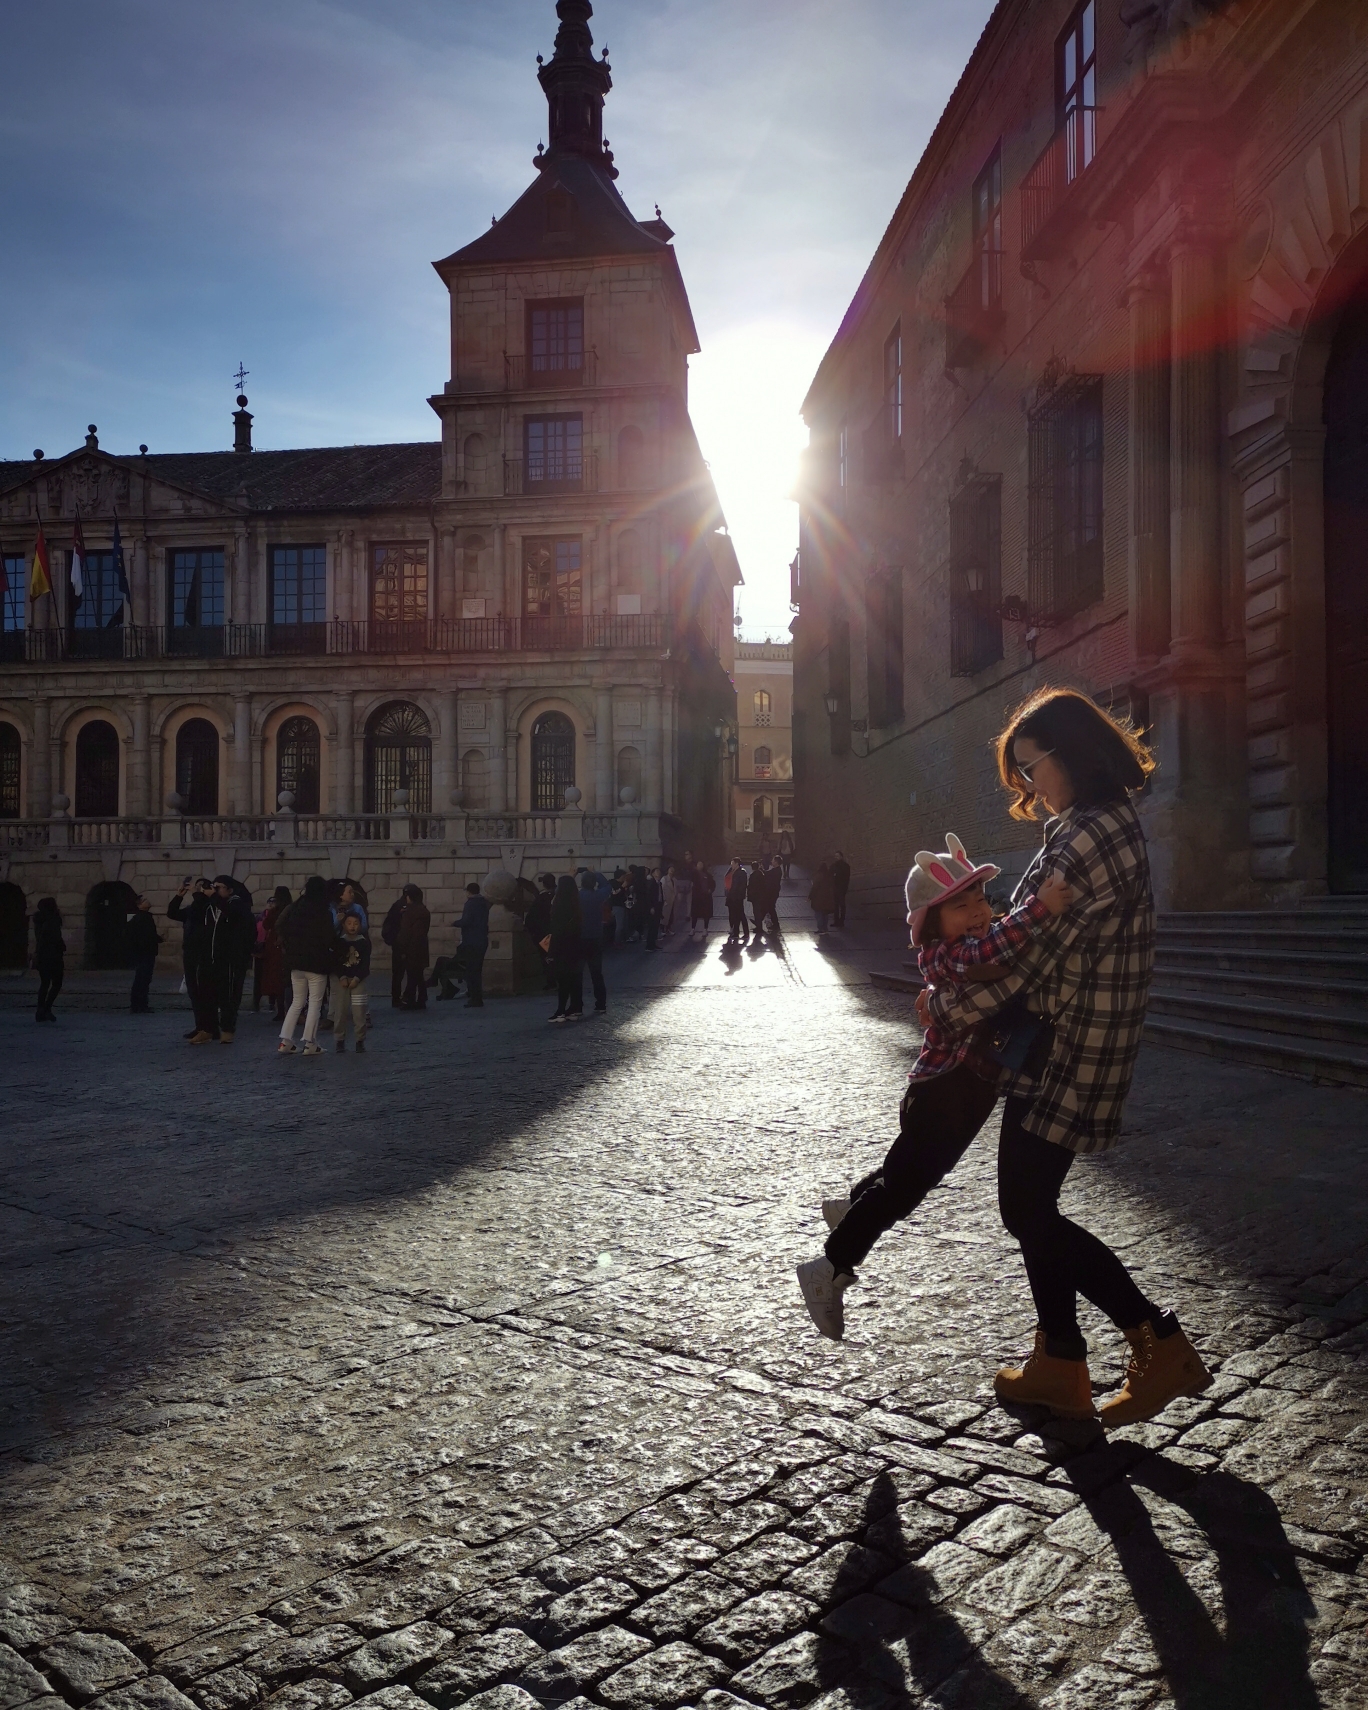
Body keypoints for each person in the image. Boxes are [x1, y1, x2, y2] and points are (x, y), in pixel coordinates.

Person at [815, 688, 1211, 1429]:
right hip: (1052, 1042)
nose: (1029, 786)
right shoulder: (1083, 823)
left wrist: (943, 1007)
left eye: (1032, 767)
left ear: (1074, 753)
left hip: (1072, 1045)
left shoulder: (1090, 837)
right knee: (1030, 1207)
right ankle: (1060, 1362)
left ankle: (1160, 1344)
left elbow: (1030, 961)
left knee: (1027, 1207)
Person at [798, 834, 1073, 1336]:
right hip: (944, 1091)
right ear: (931, 922)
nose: (976, 912)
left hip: (962, 1095)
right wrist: (1039, 908)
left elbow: (995, 954)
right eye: (960, 905)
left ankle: (851, 1207)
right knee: (904, 1189)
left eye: (980, 900)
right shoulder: (946, 954)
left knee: (909, 1173)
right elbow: (991, 946)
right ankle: (830, 1267)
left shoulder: (961, 951)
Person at [181, 876, 255, 1044]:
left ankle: (228, 1030)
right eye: (214, 887)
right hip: (210, 957)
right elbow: (191, 914)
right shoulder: (212, 907)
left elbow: (235, 917)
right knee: (206, 994)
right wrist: (197, 895)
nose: (215, 890)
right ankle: (207, 1029)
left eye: (219, 887)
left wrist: (212, 896)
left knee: (228, 996)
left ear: (229, 890)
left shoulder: (237, 905)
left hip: (230, 959)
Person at [279, 875, 338, 1054]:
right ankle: (310, 1043)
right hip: (316, 963)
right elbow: (329, 938)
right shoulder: (323, 911)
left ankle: (286, 1040)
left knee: (297, 1002)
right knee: (314, 1004)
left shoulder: (296, 908)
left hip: (296, 961)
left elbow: (283, 928)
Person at [168, 877, 212, 1037]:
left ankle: (208, 1027)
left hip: (204, 953)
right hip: (191, 952)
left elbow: (201, 907)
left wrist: (196, 893)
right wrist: (179, 896)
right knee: (193, 991)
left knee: (203, 991)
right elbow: (172, 913)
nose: (197, 890)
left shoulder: (209, 906)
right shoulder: (193, 907)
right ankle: (200, 1026)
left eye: (201, 887)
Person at [333, 909, 372, 1052]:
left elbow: (365, 964)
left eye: (356, 923)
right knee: (340, 1011)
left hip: (358, 981)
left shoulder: (364, 943)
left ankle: (360, 1040)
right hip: (343, 981)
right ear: (344, 925)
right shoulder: (340, 942)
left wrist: (357, 978)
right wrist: (342, 976)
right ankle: (339, 1039)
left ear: (360, 925)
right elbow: (336, 961)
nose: (352, 926)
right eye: (349, 923)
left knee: (359, 1012)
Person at [547, 873, 583, 1022]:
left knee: (562, 980)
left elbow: (556, 931)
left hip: (561, 946)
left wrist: (550, 952)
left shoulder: (559, 904)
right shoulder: (577, 903)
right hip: (575, 945)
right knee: (575, 978)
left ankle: (561, 1011)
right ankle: (575, 1008)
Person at [577, 868, 611, 1012]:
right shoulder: (598, 896)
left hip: (580, 938)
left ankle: (577, 1006)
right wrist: (596, 872)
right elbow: (607, 886)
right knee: (596, 973)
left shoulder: (577, 896)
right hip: (596, 937)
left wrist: (572, 874)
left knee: (577, 974)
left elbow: (562, 890)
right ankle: (601, 1004)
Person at [258, 886, 292, 1022]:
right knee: (287, 979)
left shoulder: (275, 911)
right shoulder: (292, 909)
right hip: (289, 945)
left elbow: (266, 925)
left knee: (277, 979)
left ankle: (281, 1010)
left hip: (275, 946)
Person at [396, 884, 431, 1009]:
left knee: (412, 974)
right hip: (421, 947)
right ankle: (421, 998)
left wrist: (402, 948)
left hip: (412, 948)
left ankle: (409, 999)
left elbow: (406, 932)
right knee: (418, 974)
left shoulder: (410, 912)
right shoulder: (423, 910)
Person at [456, 881, 490, 1007]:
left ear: (469, 891)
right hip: (481, 940)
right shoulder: (484, 903)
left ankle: (475, 998)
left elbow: (467, 921)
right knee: (477, 970)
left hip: (471, 941)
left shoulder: (470, 904)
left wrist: (454, 923)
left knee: (472, 971)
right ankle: (477, 997)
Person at [127, 895, 162, 1013]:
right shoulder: (142, 918)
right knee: (142, 979)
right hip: (144, 953)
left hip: (144, 952)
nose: (148, 901)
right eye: (144, 900)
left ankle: (139, 1004)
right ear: (139, 904)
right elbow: (144, 936)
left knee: (143, 979)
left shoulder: (143, 917)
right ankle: (139, 1005)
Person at [32, 897, 64, 1023]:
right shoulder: (53, 919)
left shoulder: (39, 919)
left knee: (44, 983)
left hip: (43, 956)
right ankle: (46, 1008)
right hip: (53, 956)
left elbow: (40, 939)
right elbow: (53, 937)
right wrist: (61, 945)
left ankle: (41, 1010)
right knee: (56, 983)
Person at [526, 874, 557, 986]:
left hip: (544, 934)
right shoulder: (559, 896)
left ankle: (551, 982)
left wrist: (534, 934)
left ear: (544, 884)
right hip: (558, 933)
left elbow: (530, 919)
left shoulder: (540, 899)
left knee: (547, 958)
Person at [381, 894, 406, 1006]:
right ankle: (397, 997)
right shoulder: (400, 907)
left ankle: (396, 997)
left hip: (397, 943)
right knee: (399, 972)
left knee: (397, 973)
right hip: (400, 943)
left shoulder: (397, 905)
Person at [724, 857, 750, 944]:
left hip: (737, 897)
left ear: (737, 863)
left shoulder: (741, 872)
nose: (731, 864)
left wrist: (737, 894)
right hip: (731, 896)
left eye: (732, 863)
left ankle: (745, 932)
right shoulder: (731, 871)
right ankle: (736, 932)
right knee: (734, 914)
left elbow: (741, 886)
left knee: (740, 914)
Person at [808, 862, 836, 936]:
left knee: (818, 914)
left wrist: (810, 897)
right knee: (825, 914)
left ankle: (820, 929)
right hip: (827, 898)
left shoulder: (819, 876)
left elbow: (815, 888)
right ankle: (825, 929)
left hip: (819, 899)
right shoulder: (829, 876)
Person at [690, 861, 714, 939]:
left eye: (701, 864)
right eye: (698, 864)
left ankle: (705, 929)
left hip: (706, 897)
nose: (700, 866)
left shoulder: (707, 875)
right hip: (697, 897)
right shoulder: (694, 874)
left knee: (706, 914)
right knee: (695, 914)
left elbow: (712, 883)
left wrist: (710, 889)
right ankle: (693, 928)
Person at [644, 866, 664, 951]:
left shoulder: (659, 883)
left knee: (656, 926)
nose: (658, 873)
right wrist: (651, 907)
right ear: (653, 874)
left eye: (659, 871)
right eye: (656, 871)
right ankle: (649, 945)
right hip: (653, 907)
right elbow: (649, 896)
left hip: (658, 906)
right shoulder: (651, 883)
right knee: (652, 926)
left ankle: (653, 943)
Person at [831, 851, 852, 928]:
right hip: (835, 888)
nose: (836, 857)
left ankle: (841, 921)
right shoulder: (833, 866)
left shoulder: (845, 866)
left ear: (841, 856)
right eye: (835, 856)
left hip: (841, 888)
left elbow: (846, 878)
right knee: (836, 905)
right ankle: (836, 921)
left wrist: (845, 887)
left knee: (841, 905)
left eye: (837, 856)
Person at [660, 865, 677, 938]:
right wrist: (663, 899)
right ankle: (662, 930)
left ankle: (668, 929)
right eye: (670, 869)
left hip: (672, 900)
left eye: (673, 869)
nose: (672, 870)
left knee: (671, 915)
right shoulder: (664, 879)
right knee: (664, 915)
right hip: (666, 899)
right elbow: (662, 889)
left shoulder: (674, 879)